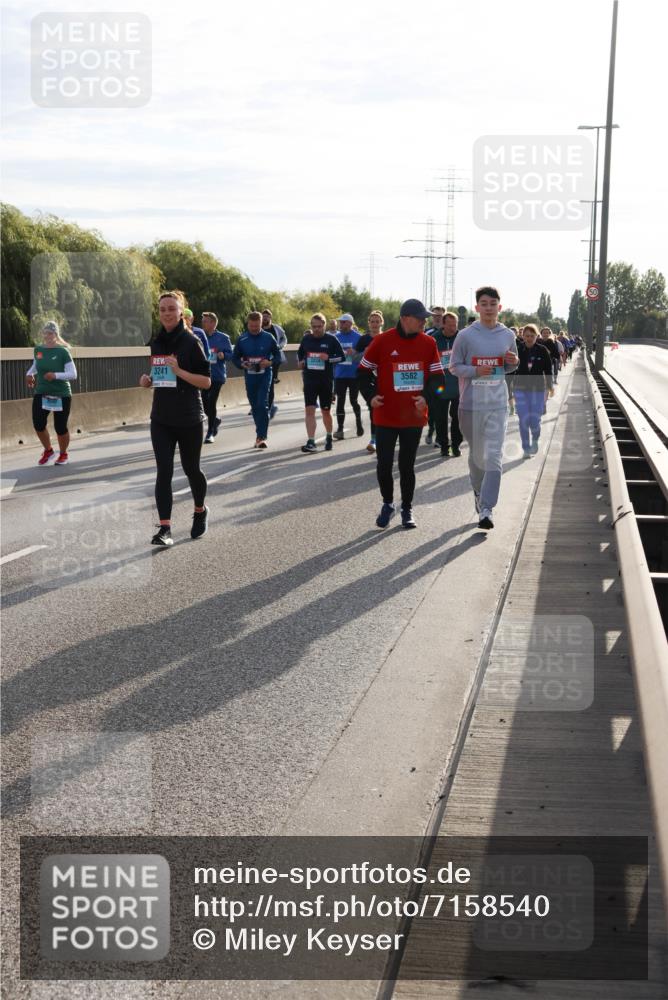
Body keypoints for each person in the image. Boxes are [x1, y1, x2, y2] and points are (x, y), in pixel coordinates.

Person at [358, 299, 444, 529]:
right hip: (386, 415)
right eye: (420, 318)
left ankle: (407, 507)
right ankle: (388, 504)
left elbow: (439, 381)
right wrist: (370, 396)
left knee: (407, 465)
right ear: (406, 319)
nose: (425, 321)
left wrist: (426, 397)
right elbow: (362, 372)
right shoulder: (382, 341)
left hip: (413, 417)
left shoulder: (429, 342)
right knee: (384, 464)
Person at [139, 292, 211, 546]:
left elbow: (206, 381)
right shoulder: (156, 341)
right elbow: (158, 373)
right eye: (162, 309)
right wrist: (148, 381)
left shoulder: (192, 342)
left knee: (191, 469)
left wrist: (179, 370)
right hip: (161, 417)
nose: (167, 313)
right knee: (164, 471)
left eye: (171, 309)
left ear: (181, 312)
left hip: (189, 417)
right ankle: (165, 529)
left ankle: (200, 510)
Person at [449, 286, 519, 530]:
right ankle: (478, 492)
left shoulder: (508, 335)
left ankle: (487, 509)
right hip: (470, 405)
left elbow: (510, 365)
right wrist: (476, 371)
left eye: (493, 304)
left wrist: (513, 362)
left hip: (498, 403)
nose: (489, 308)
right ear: (477, 307)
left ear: (500, 307)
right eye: (484, 304)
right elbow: (454, 366)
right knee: (477, 457)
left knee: (495, 456)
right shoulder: (466, 336)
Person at [26, 320, 78, 466]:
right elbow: (35, 366)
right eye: (45, 333)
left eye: (50, 333)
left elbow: (73, 374)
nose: (47, 336)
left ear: (56, 334)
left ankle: (63, 454)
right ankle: (48, 450)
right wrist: (29, 374)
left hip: (61, 393)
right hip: (42, 391)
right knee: (38, 423)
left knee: (60, 427)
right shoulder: (38, 350)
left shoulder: (63, 351)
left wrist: (55, 375)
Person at [232, 311, 281, 449]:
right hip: (250, 376)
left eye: (257, 326)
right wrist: (242, 364)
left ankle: (261, 437)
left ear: (261, 324)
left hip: (265, 375)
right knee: (255, 407)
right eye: (251, 326)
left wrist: (269, 362)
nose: (254, 329)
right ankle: (259, 434)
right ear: (248, 324)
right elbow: (235, 358)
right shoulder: (242, 339)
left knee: (262, 404)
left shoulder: (268, 337)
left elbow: (278, 356)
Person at [297, 313, 345, 453]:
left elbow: (342, 357)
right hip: (310, 380)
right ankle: (311, 441)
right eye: (313, 327)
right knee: (309, 411)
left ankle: (329, 436)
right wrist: (300, 362)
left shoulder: (331, 339)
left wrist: (328, 358)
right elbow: (300, 354)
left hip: (326, 381)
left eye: (319, 326)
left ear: (324, 325)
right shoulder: (306, 339)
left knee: (325, 411)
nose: (316, 329)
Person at [514, 324, 554, 458]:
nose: (529, 338)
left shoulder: (542, 350)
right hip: (520, 390)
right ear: (522, 336)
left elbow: (548, 370)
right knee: (523, 420)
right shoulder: (518, 349)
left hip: (538, 390)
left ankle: (535, 440)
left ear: (536, 336)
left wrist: (550, 387)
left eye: (532, 336)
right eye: (526, 336)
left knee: (534, 420)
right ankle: (526, 448)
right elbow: (510, 370)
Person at [429, 311, 463, 458]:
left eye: (455, 325)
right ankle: (444, 446)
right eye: (449, 325)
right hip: (440, 386)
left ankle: (455, 445)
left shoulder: (462, 338)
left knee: (458, 417)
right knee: (440, 418)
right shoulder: (433, 339)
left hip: (458, 385)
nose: (453, 328)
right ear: (443, 324)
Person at [201, 311, 233, 443]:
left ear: (213, 323)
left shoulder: (223, 337)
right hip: (203, 376)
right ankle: (215, 420)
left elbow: (231, 355)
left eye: (205, 321)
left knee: (211, 401)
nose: (203, 323)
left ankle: (210, 432)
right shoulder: (200, 336)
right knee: (203, 401)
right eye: (202, 321)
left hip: (217, 375)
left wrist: (223, 355)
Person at [355, 310, 384, 453]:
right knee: (373, 406)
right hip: (367, 376)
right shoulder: (363, 339)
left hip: (383, 376)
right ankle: (374, 439)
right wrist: (364, 352)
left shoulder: (386, 338)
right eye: (372, 321)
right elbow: (354, 358)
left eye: (377, 321)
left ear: (381, 323)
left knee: (385, 407)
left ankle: (386, 436)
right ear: (369, 323)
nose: (374, 324)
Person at [333, 312, 364, 440]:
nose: (341, 324)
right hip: (340, 375)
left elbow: (364, 355)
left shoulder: (358, 337)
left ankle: (358, 422)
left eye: (343, 322)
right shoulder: (336, 337)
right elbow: (331, 354)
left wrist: (354, 354)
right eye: (340, 322)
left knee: (353, 401)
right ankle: (340, 429)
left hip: (354, 375)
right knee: (340, 402)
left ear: (350, 323)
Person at [424, 307, 445, 445]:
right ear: (432, 317)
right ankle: (431, 428)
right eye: (435, 315)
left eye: (440, 315)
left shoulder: (449, 332)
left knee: (441, 406)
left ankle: (439, 435)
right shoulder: (427, 332)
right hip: (431, 375)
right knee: (431, 406)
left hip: (445, 375)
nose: (437, 317)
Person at [261, 308, 287, 419]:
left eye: (267, 316)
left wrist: (280, 347)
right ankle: (259, 406)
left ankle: (270, 407)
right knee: (260, 384)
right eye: (264, 316)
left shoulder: (276, 328)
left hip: (273, 359)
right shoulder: (258, 328)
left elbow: (284, 339)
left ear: (270, 318)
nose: (265, 318)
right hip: (260, 359)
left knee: (270, 384)